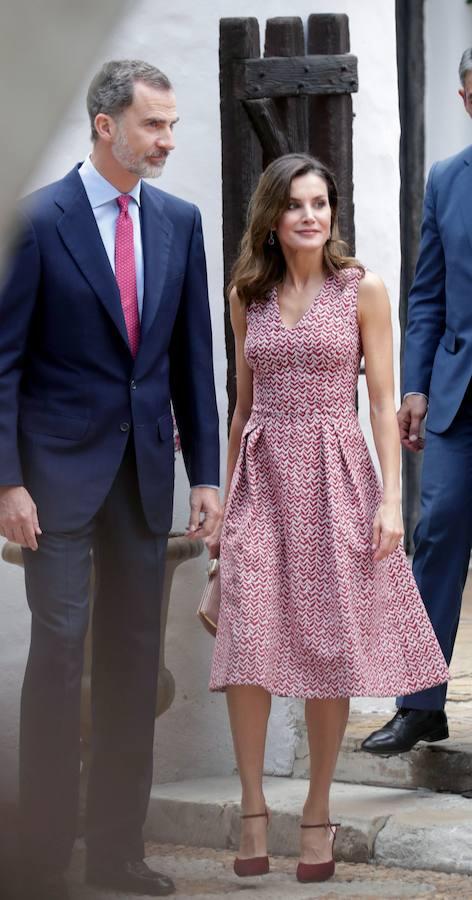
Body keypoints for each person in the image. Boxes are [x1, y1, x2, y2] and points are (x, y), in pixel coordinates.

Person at [0, 60, 220, 900]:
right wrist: (7, 483)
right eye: (154, 125)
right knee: (57, 657)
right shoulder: (37, 220)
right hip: (51, 485)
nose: (167, 139)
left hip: (141, 483)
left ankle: (118, 854)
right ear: (105, 124)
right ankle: (45, 855)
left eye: (171, 125)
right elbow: (5, 364)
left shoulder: (178, 220)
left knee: (131, 662)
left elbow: (191, 361)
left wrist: (205, 474)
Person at [207, 153, 449, 884]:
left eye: (321, 203)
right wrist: (222, 508)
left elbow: (382, 403)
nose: (311, 216)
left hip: (338, 474)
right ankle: (253, 807)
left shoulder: (363, 289)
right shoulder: (246, 292)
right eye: (297, 205)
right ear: (272, 218)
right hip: (262, 477)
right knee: (247, 641)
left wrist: (389, 500)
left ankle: (316, 813)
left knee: (326, 643)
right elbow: (241, 406)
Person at [362, 48, 472, 756]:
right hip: (459, 399)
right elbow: (426, 295)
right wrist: (414, 386)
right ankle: (420, 703)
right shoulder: (446, 180)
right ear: (465, 96)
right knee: (435, 534)